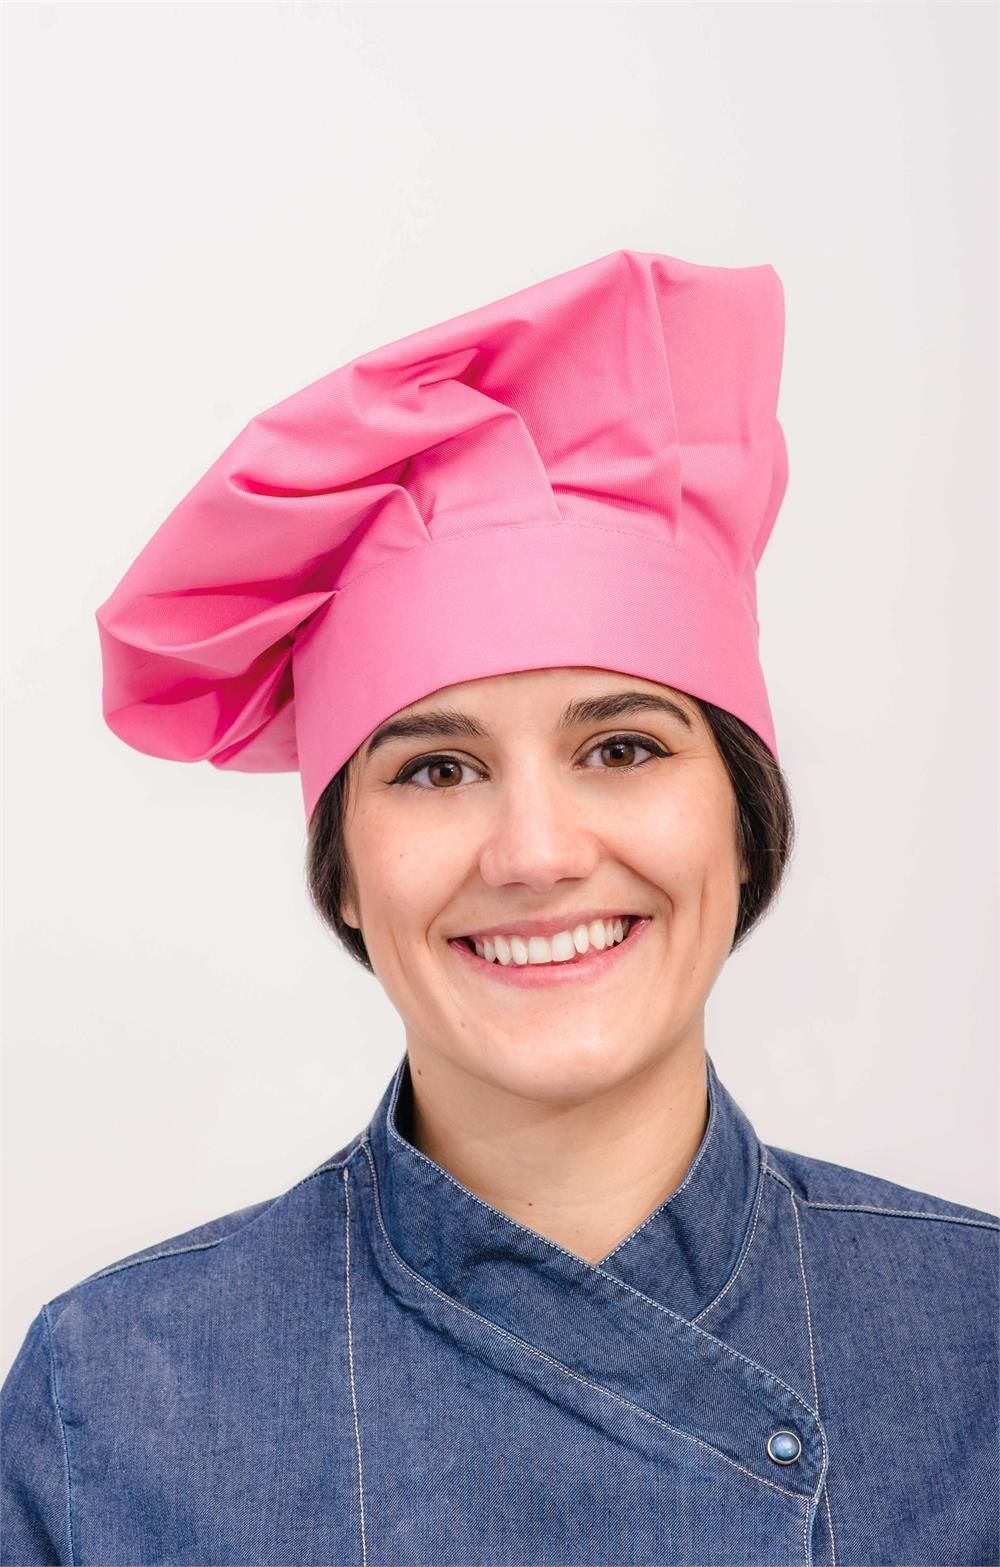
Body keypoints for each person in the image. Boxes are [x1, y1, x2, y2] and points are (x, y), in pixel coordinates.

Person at [2, 249, 996, 1567]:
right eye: (436, 770)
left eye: (622, 749)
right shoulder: (117, 1404)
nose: (535, 853)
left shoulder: (980, 1343)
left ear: (743, 823)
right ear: (344, 868)